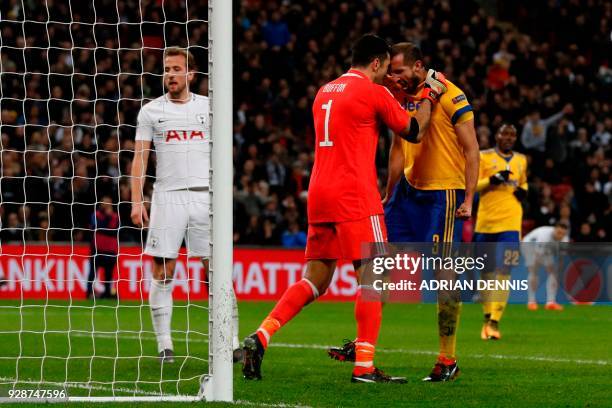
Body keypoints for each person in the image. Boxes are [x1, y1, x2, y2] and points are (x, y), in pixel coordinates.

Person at [241, 34, 447, 383]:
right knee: (376, 277)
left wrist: (393, 92)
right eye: (386, 69)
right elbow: (414, 130)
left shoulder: (325, 90)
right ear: (378, 62)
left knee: (315, 280)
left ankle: (261, 335)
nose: (388, 76)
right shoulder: (373, 91)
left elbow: (358, 118)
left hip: (320, 193)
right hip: (355, 194)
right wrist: (429, 92)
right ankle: (364, 366)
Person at [328, 42, 479, 383]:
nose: (393, 77)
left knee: (444, 276)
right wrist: (389, 189)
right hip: (408, 193)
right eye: (390, 71)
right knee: (377, 265)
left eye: (398, 71)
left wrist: (469, 198)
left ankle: (447, 358)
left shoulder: (452, 95)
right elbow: (399, 145)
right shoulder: (399, 94)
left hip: (444, 194)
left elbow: (472, 150)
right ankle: (363, 343)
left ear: (418, 66)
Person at [130, 47, 241, 364]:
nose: (170, 74)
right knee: (163, 270)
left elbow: (224, 156)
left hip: (205, 197)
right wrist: (137, 200)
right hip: (167, 197)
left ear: (191, 74)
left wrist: (224, 197)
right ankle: (165, 344)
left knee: (216, 272)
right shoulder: (151, 111)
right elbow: (140, 158)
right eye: (166, 69)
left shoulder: (210, 108)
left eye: (176, 69)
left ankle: (230, 341)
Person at [473, 124, 528, 340]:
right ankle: (487, 318)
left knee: (505, 270)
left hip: (511, 224)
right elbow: (472, 185)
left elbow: (523, 183)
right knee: (486, 274)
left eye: (512, 135)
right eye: (504, 133)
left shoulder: (521, 160)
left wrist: (524, 191)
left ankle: (495, 321)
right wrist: (492, 180)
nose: (508, 138)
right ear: (496, 135)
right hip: (485, 224)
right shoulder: (483, 157)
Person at [522, 222, 570, 311]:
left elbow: (561, 258)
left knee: (554, 274)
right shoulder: (544, 235)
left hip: (546, 250)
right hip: (529, 245)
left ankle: (550, 303)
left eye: (563, 234)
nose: (560, 236)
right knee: (534, 271)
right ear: (554, 229)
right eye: (559, 233)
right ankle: (531, 302)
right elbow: (537, 256)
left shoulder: (565, 240)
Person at [86, 195, 119, 299]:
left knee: (108, 274)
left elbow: (115, 231)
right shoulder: (95, 215)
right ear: (101, 203)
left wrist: (105, 226)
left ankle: (107, 293)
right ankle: (89, 293)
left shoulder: (115, 217)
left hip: (111, 250)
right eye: (105, 202)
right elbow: (96, 227)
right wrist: (107, 223)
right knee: (92, 272)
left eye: (108, 202)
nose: (107, 204)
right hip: (97, 248)